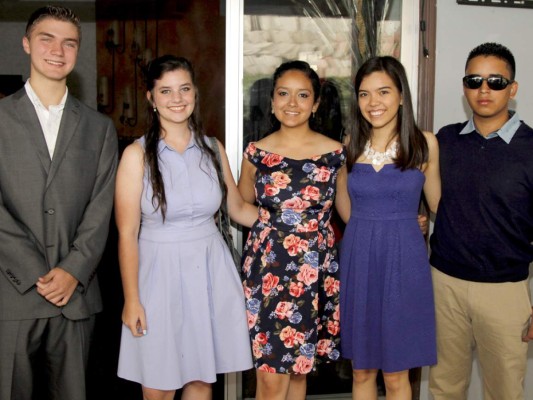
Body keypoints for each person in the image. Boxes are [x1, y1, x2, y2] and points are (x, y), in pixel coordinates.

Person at [115, 55, 256, 400]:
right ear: (151, 97)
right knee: (158, 385)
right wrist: (132, 300)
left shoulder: (212, 148)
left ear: (195, 93)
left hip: (210, 271)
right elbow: (126, 234)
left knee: (200, 380)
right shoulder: (136, 155)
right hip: (157, 276)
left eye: (184, 89)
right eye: (165, 91)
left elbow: (237, 208)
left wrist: (294, 220)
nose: (177, 99)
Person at [0, 5, 118, 400]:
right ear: (26, 43)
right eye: (46, 38)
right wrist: (37, 271)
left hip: (76, 298)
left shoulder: (100, 128)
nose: (58, 50)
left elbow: (102, 208)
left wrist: (73, 270)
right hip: (12, 294)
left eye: (69, 42)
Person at [428, 42, 533, 400]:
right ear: (464, 87)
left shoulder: (531, 148)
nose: (483, 89)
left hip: (505, 292)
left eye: (495, 81)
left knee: (504, 391)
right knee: (444, 388)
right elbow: (426, 204)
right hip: (445, 286)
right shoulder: (445, 141)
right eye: (474, 80)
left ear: (512, 88)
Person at [238, 60, 346, 400]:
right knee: (270, 379)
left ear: (315, 104)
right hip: (268, 271)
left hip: (314, 273)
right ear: (272, 101)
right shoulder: (256, 154)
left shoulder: (335, 155)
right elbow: (242, 208)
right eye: (283, 94)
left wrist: (402, 219)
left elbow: (351, 213)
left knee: (299, 375)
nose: (292, 103)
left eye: (303, 95)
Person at [336, 56, 441, 400]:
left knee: (398, 373)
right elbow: (345, 207)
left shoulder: (425, 144)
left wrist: (411, 223)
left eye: (383, 92)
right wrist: (375, 226)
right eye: (364, 94)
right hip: (360, 260)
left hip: (405, 263)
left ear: (400, 95)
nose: (373, 102)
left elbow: (439, 206)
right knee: (361, 369)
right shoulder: (348, 145)